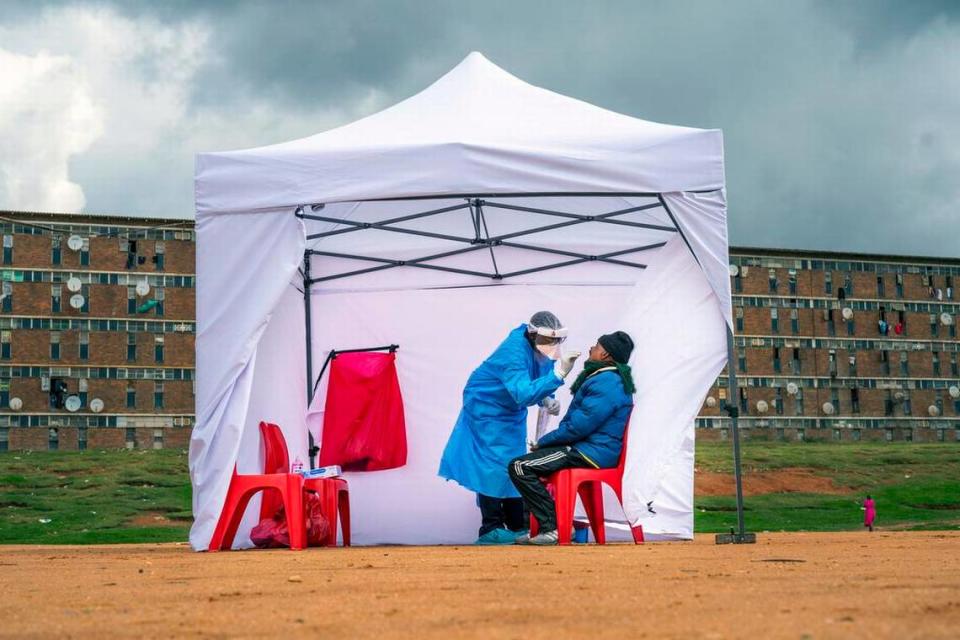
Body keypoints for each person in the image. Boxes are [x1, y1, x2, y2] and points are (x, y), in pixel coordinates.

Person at [438, 311, 581, 545]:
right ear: (532, 334)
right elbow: (523, 391)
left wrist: (546, 397)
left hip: (511, 409)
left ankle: (517, 525)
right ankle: (491, 527)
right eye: (547, 341)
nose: (552, 347)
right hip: (486, 406)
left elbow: (536, 377)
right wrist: (557, 376)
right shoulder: (513, 351)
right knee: (492, 465)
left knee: (514, 462)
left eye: (556, 341)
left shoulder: (540, 344)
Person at [508, 331, 635, 545]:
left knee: (520, 467)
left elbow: (579, 426)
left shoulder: (607, 382)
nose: (590, 349)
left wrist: (543, 442)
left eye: (596, 346)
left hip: (588, 452)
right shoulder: (608, 379)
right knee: (531, 464)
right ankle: (554, 526)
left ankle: (553, 528)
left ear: (605, 355)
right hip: (589, 449)